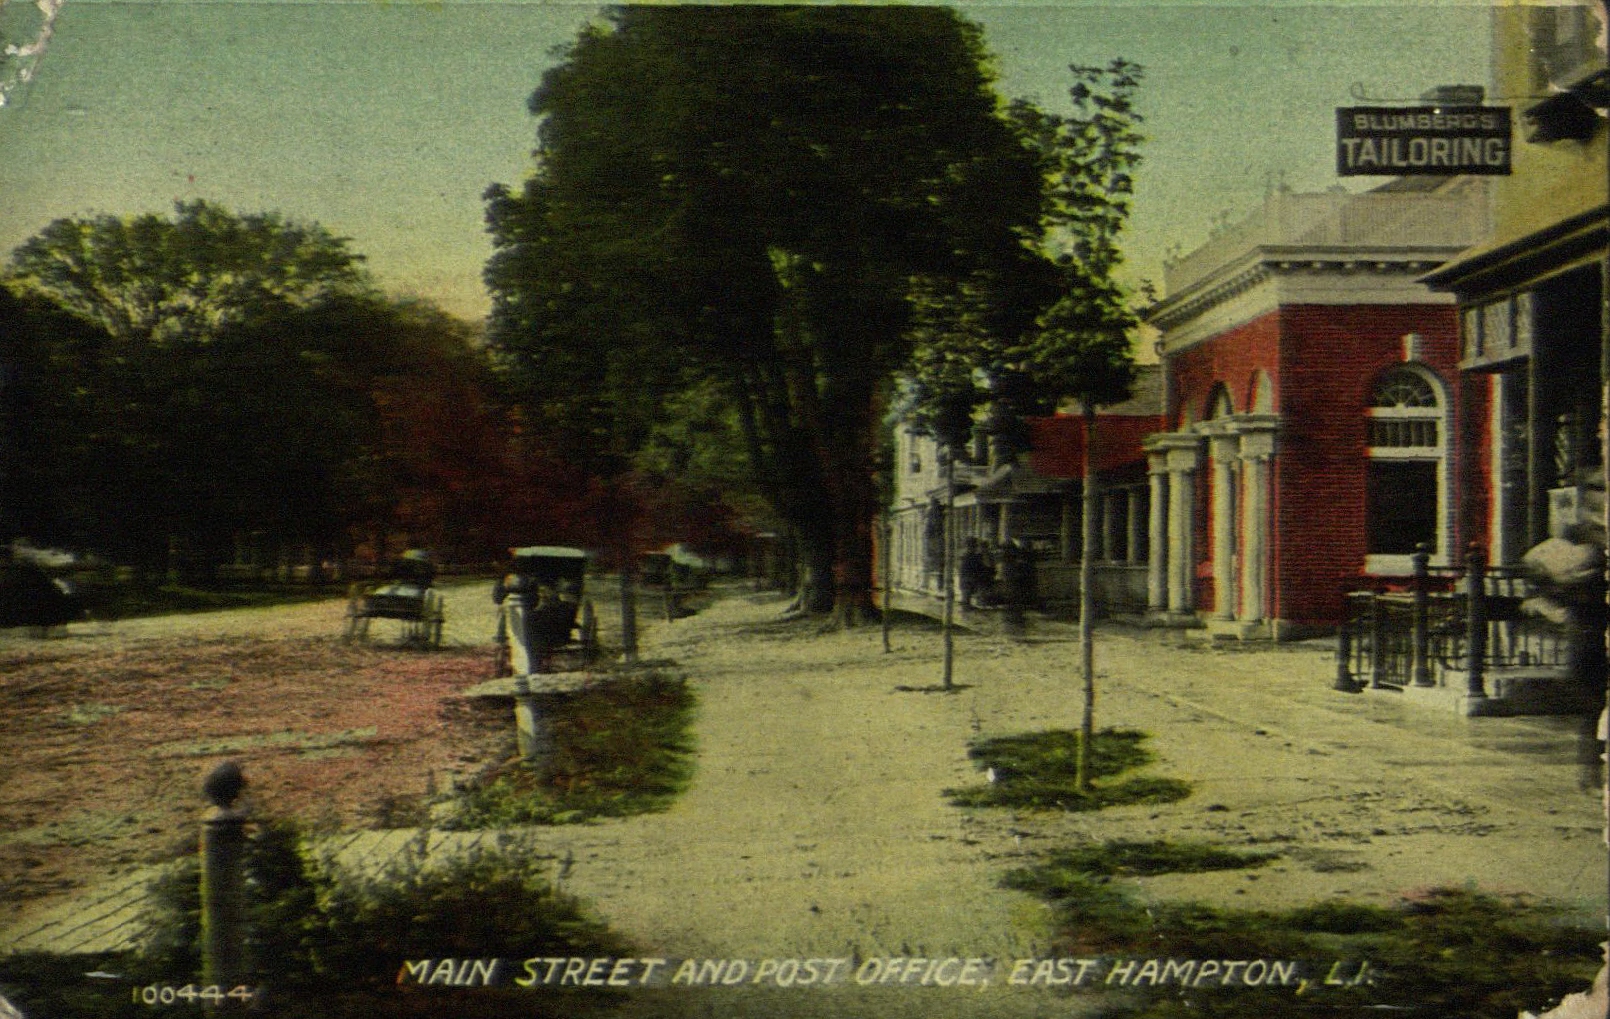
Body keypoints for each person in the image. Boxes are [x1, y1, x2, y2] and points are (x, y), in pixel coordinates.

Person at [1522, 523, 1606, 790]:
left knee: (1590, 714)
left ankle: (1589, 771)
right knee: (1591, 713)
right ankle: (1590, 770)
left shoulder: (1573, 572)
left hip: (1585, 649)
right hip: (1588, 648)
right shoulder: (1588, 568)